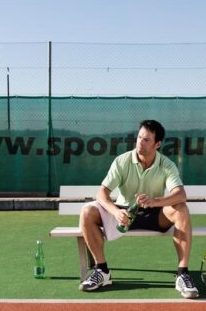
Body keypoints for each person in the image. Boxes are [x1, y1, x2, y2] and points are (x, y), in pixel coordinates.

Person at [78, 119, 199, 299]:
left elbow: (180, 195)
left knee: (181, 208)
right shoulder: (122, 161)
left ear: (157, 144)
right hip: (124, 214)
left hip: (155, 213)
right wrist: (116, 212)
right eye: (139, 137)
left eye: (146, 140)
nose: (140, 143)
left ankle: (182, 274)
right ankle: (102, 271)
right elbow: (101, 194)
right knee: (87, 212)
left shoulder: (167, 165)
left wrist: (154, 201)